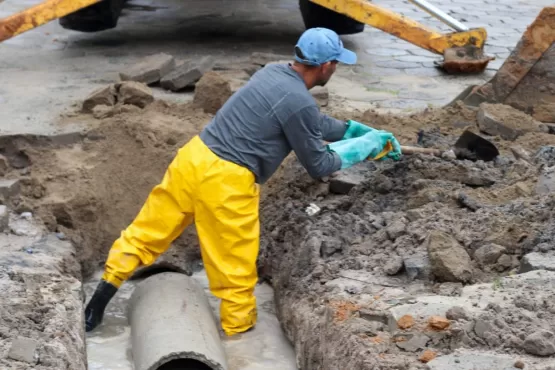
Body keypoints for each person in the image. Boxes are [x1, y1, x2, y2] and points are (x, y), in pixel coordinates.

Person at [84, 27, 402, 336]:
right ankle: (240, 344)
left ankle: (95, 306)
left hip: (193, 158)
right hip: (226, 182)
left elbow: (311, 122)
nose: (336, 69)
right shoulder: (300, 102)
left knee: (145, 233)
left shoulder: (272, 72)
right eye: (336, 64)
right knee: (235, 276)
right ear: (325, 66)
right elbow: (319, 163)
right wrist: (367, 146)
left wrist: (349, 129)